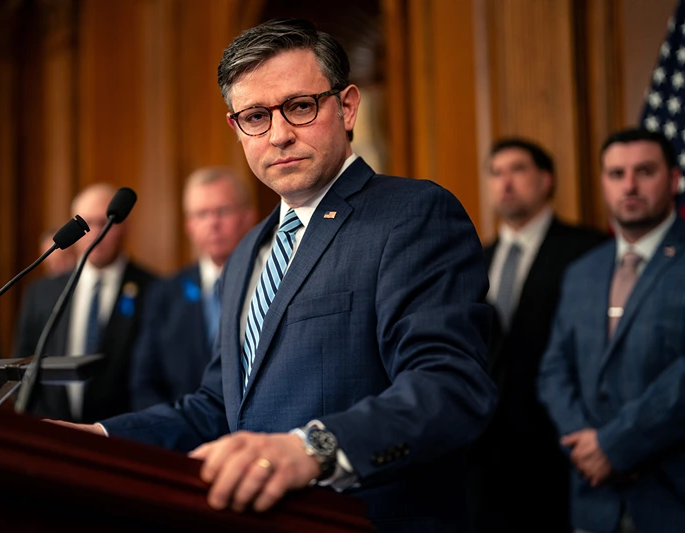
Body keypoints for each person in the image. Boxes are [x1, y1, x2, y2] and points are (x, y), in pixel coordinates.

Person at [53, 19, 496, 532]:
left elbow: (450, 385)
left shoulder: (412, 214)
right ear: (236, 128)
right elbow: (217, 409)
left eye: (300, 107)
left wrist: (310, 450)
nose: (280, 134)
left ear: (347, 107)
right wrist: (97, 437)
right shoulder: (247, 253)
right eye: (256, 116)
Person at [538, 128, 685, 533]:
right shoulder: (582, 271)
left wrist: (615, 445)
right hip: (592, 501)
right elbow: (553, 371)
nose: (630, 185)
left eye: (645, 171)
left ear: (673, 179)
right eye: (617, 173)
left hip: (671, 497)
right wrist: (585, 446)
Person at [472, 139, 606, 532]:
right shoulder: (475, 260)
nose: (505, 183)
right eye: (496, 173)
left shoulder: (590, 251)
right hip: (489, 454)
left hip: (564, 446)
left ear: (546, 180)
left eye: (517, 170)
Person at [14, 183, 157, 423]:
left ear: (125, 228)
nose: (96, 233)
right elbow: (21, 367)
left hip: (123, 438)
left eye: (105, 223)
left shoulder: (153, 290)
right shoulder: (42, 293)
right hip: (52, 433)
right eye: (87, 223)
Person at [130, 166, 255, 410]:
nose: (213, 223)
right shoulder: (164, 294)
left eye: (223, 211)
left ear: (248, 216)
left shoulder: (271, 280)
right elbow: (144, 382)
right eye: (201, 214)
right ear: (189, 226)